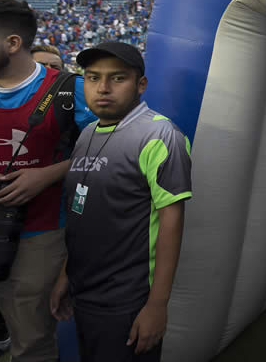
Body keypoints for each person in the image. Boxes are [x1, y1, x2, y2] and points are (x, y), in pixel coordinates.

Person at [0, 0, 95, 362]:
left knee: (33, 343)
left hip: (40, 232)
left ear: (12, 42)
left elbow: (106, 151)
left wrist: (48, 175)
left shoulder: (71, 90)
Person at [50, 41, 192, 362]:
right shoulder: (87, 134)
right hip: (84, 291)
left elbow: (172, 224)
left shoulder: (160, 135)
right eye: (92, 77)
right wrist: (66, 275)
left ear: (140, 84)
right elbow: (81, 213)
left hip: (127, 301)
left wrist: (156, 306)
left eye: (117, 78)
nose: (103, 88)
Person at [0, 42, 68, 362]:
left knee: (41, 297)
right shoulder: (1, 111)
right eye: (43, 68)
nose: (51, 74)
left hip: (53, 222)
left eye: (56, 68)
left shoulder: (77, 110)